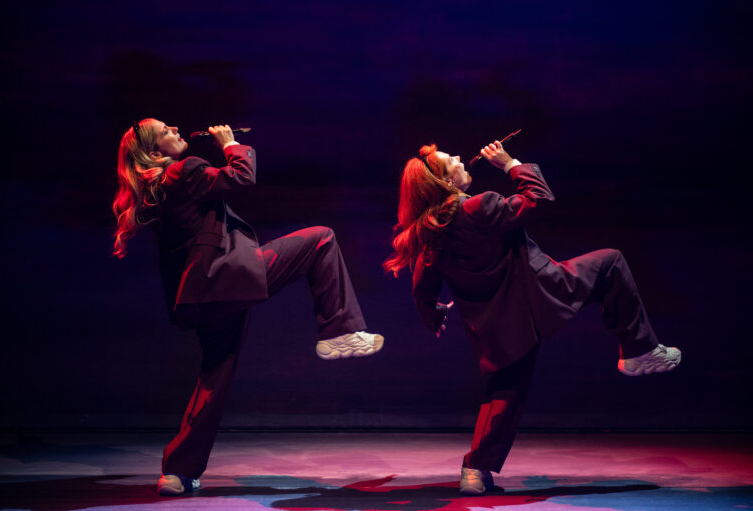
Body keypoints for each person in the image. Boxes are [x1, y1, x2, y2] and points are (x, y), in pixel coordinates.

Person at [383, 140, 680, 496]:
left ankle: (475, 471)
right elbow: (539, 199)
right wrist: (510, 163)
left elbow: (422, 285)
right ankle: (638, 350)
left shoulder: (432, 234)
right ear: (445, 182)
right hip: (538, 291)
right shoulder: (480, 206)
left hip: (495, 323)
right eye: (453, 161)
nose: (461, 158)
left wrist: (432, 315)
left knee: (505, 391)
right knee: (611, 263)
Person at [113, 119, 383, 496]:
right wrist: (229, 144)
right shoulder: (182, 170)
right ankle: (339, 331)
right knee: (321, 238)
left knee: (213, 378)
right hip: (229, 277)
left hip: (203, 296)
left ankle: (178, 471)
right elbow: (241, 177)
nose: (176, 128)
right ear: (155, 153)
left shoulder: (154, 189)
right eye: (166, 131)